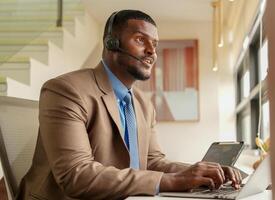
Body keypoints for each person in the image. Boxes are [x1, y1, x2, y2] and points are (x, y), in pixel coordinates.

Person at [17, 10, 241, 200]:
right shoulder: (66, 90)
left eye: (154, 44)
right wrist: (172, 181)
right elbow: (77, 175)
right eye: (140, 40)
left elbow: (153, 162)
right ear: (111, 43)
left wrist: (203, 172)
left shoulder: (144, 103)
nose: (152, 52)